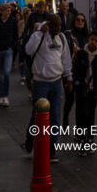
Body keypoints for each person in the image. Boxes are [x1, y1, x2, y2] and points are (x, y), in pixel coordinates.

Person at [23, 14, 73, 162]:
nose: (58, 28)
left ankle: (51, 147)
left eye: (59, 26)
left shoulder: (62, 38)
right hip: (41, 82)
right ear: (49, 25)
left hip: (56, 82)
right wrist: (39, 32)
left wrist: (69, 77)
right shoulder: (39, 36)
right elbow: (28, 50)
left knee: (55, 116)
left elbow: (66, 59)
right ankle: (30, 139)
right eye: (55, 26)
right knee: (37, 116)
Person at [73, 30, 97, 156]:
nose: (93, 42)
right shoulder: (80, 54)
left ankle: (90, 140)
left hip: (94, 90)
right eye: (91, 39)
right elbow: (74, 68)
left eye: (96, 41)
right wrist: (73, 84)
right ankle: (82, 141)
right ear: (88, 39)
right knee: (82, 114)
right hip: (81, 88)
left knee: (90, 115)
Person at [0, 3, 18, 107]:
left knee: (7, 73)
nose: (9, 12)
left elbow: (15, 35)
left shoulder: (13, 21)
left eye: (9, 11)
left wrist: (12, 45)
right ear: (2, 11)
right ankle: (1, 96)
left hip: (8, 49)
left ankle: (6, 96)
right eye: (7, 11)